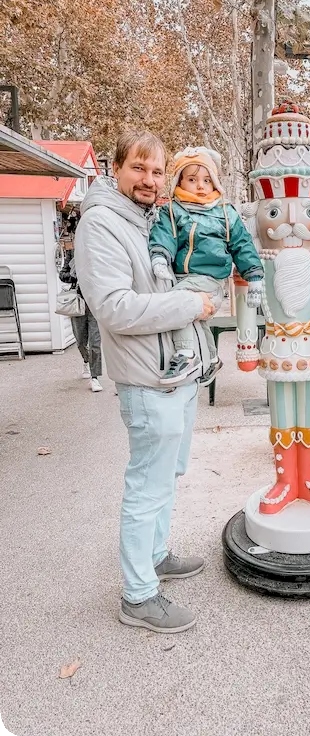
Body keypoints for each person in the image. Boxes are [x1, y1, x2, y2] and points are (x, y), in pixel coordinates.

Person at [75, 130, 216, 634]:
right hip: (147, 379)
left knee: (166, 477)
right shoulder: (101, 225)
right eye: (139, 168)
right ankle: (137, 595)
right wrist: (190, 303)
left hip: (176, 376)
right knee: (146, 484)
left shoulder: (151, 219)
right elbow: (113, 308)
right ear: (116, 169)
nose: (150, 180)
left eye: (158, 171)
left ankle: (155, 555)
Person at [149, 147, 263, 386]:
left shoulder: (224, 212)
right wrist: (159, 255)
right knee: (196, 320)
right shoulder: (173, 210)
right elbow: (164, 235)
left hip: (209, 279)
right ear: (180, 180)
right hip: (181, 276)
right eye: (192, 179)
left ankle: (186, 355)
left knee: (177, 303)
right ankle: (211, 358)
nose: (200, 186)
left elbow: (242, 244)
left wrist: (254, 276)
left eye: (206, 180)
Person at [59, 249, 103, 393]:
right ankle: (86, 360)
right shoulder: (72, 254)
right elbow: (62, 275)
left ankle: (95, 377)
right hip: (77, 302)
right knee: (80, 340)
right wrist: (75, 276)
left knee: (95, 342)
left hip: (95, 302)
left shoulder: (98, 253)